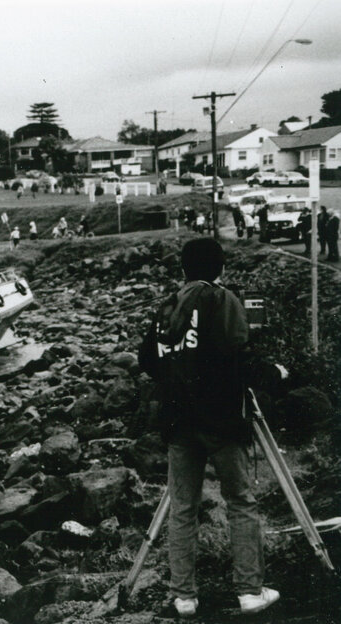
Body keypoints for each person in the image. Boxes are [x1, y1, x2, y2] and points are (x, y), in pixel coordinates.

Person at [138, 238, 281, 617]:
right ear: (221, 269)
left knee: (183, 508)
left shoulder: (169, 305)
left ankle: (184, 597)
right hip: (220, 418)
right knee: (241, 501)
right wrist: (274, 374)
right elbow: (238, 353)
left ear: (183, 270)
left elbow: (148, 359)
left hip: (178, 419)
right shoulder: (222, 299)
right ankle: (250, 591)